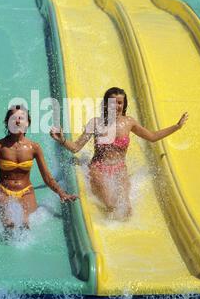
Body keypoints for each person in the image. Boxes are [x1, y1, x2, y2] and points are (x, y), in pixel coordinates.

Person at [50, 87, 188, 221]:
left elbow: (152, 136)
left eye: (120, 102)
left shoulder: (129, 122)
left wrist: (177, 126)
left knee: (126, 211)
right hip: (99, 169)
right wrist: (62, 140)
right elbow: (75, 148)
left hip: (120, 169)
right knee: (111, 206)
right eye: (112, 102)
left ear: (124, 104)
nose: (116, 106)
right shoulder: (96, 123)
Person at [0, 104, 78, 232]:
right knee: (8, 221)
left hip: (26, 192)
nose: (17, 120)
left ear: (27, 123)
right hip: (3, 190)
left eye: (21, 118)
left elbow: (47, 177)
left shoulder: (34, 148)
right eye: (13, 118)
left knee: (25, 222)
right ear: (7, 123)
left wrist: (61, 193)